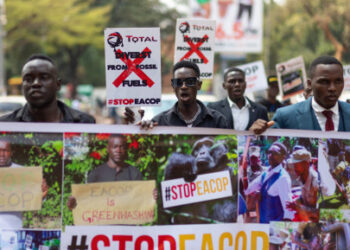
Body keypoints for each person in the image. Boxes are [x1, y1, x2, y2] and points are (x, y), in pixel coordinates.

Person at [250, 56, 350, 133]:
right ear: (310, 84)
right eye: (324, 82)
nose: (332, 88)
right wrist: (252, 136)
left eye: (338, 81)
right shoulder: (285, 117)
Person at [125, 60, 228, 129]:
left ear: (199, 85)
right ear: (173, 86)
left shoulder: (218, 120)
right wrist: (138, 128)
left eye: (190, 81)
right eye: (178, 82)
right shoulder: (159, 122)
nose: (183, 86)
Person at [0, 54, 95, 123]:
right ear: (22, 86)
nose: (36, 83)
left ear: (58, 84)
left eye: (44, 77)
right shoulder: (6, 125)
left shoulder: (84, 122)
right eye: (28, 79)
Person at [245, 142, 294, 223]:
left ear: (282, 157)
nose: (271, 156)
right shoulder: (266, 173)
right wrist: (243, 172)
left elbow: (288, 211)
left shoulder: (283, 178)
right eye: (270, 152)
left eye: (275, 153)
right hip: (263, 224)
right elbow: (248, 189)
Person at [286, 148, 320, 222]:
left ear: (306, 164)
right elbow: (304, 198)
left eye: (297, 165)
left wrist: (298, 208)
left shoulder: (316, 182)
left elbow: (319, 212)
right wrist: (295, 201)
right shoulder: (302, 178)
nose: (294, 168)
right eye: (293, 165)